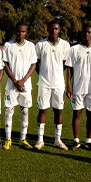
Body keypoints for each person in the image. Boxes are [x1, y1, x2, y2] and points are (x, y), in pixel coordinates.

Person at [66, 24, 91, 151]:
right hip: (78, 87)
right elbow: (69, 69)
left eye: (89, 32)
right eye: (85, 32)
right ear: (82, 33)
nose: (87, 34)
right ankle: (76, 140)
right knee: (77, 113)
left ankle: (88, 141)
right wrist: (69, 86)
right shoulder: (74, 49)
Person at [35, 21, 70, 150]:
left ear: (59, 30)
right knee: (42, 109)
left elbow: (66, 63)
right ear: (48, 29)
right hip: (44, 83)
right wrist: (43, 74)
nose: (53, 31)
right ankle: (40, 140)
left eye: (56, 29)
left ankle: (57, 139)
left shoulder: (65, 45)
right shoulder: (40, 45)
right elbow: (36, 63)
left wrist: (58, 72)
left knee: (58, 110)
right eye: (51, 29)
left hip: (58, 83)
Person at [2, 22, 37, 150]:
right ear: (15, 31)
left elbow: (33, 64)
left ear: (26, 32)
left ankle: (23, 139)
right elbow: (5, 64)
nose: (20, 33)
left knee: (25, 111)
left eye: (23, 31)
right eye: (18, 31)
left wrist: (23, 80)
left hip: (26, 86)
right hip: (11, 85)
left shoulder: (31, 46)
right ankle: (8, 139)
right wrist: (15, 81)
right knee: (9, 111)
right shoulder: (8, 45)